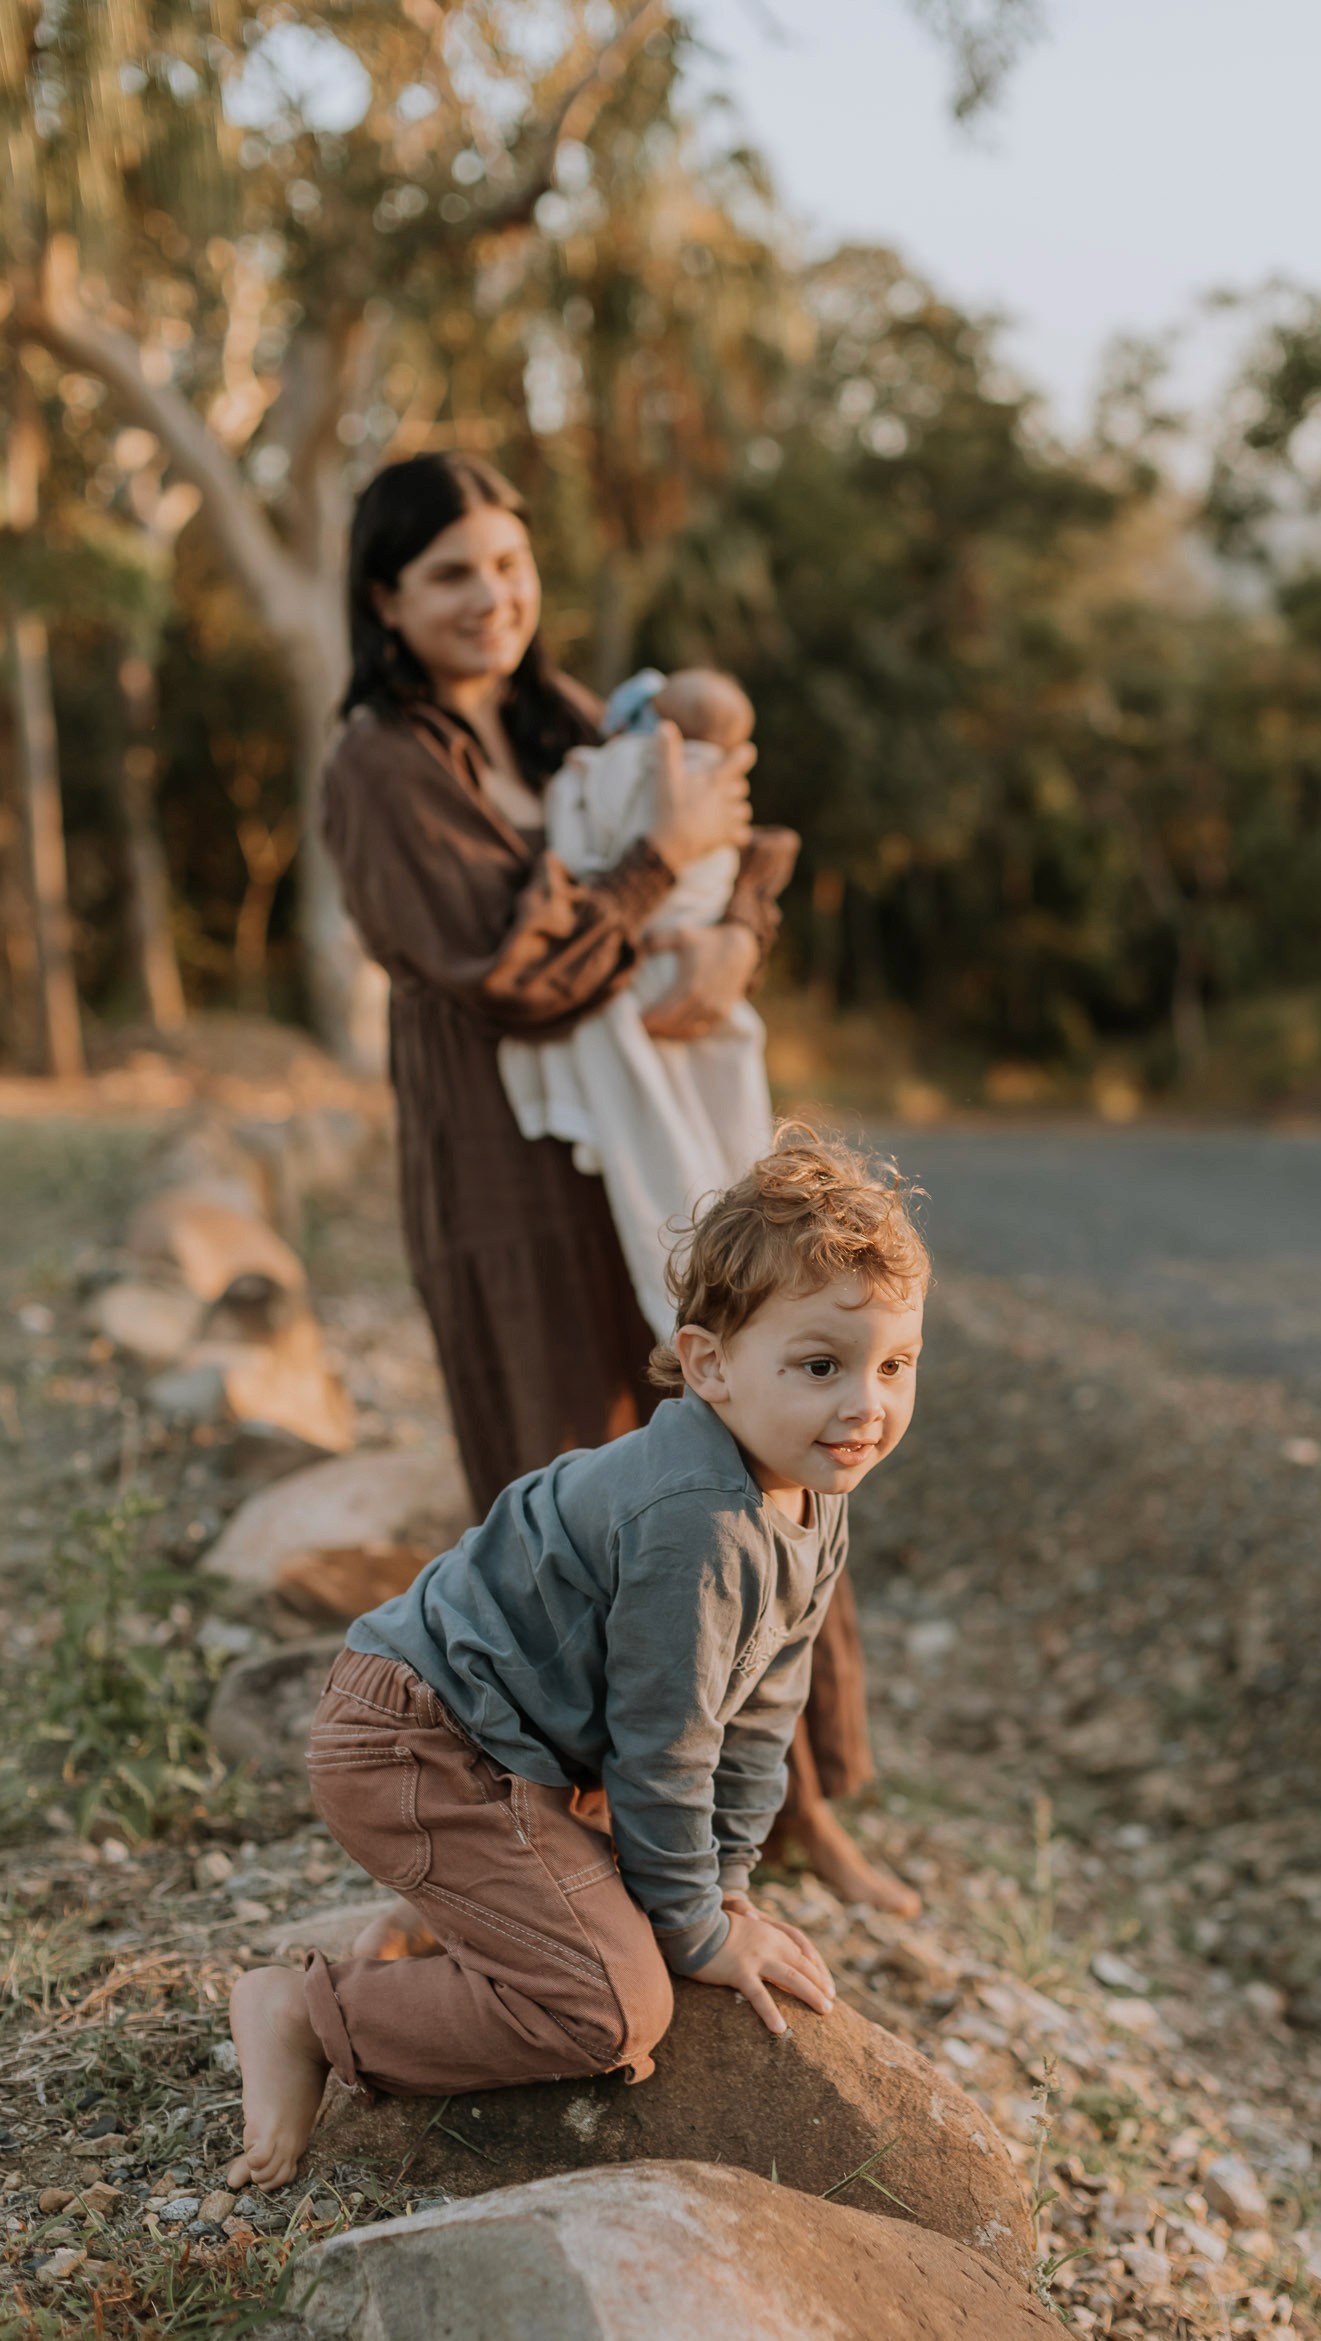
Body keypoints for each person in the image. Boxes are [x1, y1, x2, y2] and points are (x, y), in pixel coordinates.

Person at [322, 451, 918, 1916]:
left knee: (767, 1431)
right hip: (507, 1168)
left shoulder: (576, 720)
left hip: (653, 1134)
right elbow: (504, 968)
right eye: (452, 571)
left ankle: (796, 1808)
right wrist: (656, 875)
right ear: (387, 597)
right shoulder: (382, 769)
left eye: (508, 564)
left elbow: (717, 857)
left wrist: (727, 940)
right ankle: (596, 1837)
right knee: (584, 1481)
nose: (491, 597)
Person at [225, 1134, 930, 2192]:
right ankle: (309, 2015)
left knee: (649, 1909)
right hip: (419, 1742)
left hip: (517, 1755)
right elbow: (663, 1746)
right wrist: (691, 1936)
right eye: (820, 1365)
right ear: (709, 1366)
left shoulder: (809, 1495)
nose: (864, 1405)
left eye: (892, 1365)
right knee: (610, 2006)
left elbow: (758, 1719)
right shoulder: (694, 1519)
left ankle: (451, 1917)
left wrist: (722, 1896)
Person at [496, 665, 775, 1337]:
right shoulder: (718, 780)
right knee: (733, 1145)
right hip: (671, 946)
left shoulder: (604, 761)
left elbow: (575, 851)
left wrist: (740, 933)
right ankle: (757, 1299)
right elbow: (743, 848)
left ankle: (705, 1314)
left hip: (637, 963)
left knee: (660, 1162)